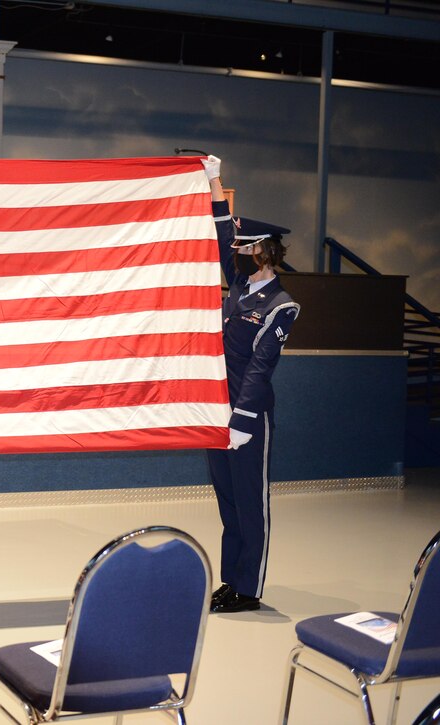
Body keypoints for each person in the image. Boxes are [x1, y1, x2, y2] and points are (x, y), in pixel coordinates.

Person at [202, 155, 301, 614]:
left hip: (248, 416)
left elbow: (261, 369)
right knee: (227, 501)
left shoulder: (282, 305)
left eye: (246, 247)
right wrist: (214, 181)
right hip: (219, 410)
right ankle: (231, 579)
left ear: (264, 249)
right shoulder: (239, 285)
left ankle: (250, 588)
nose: (237, 251)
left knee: (251, 503)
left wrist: (242, 418)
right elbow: (223, 233)